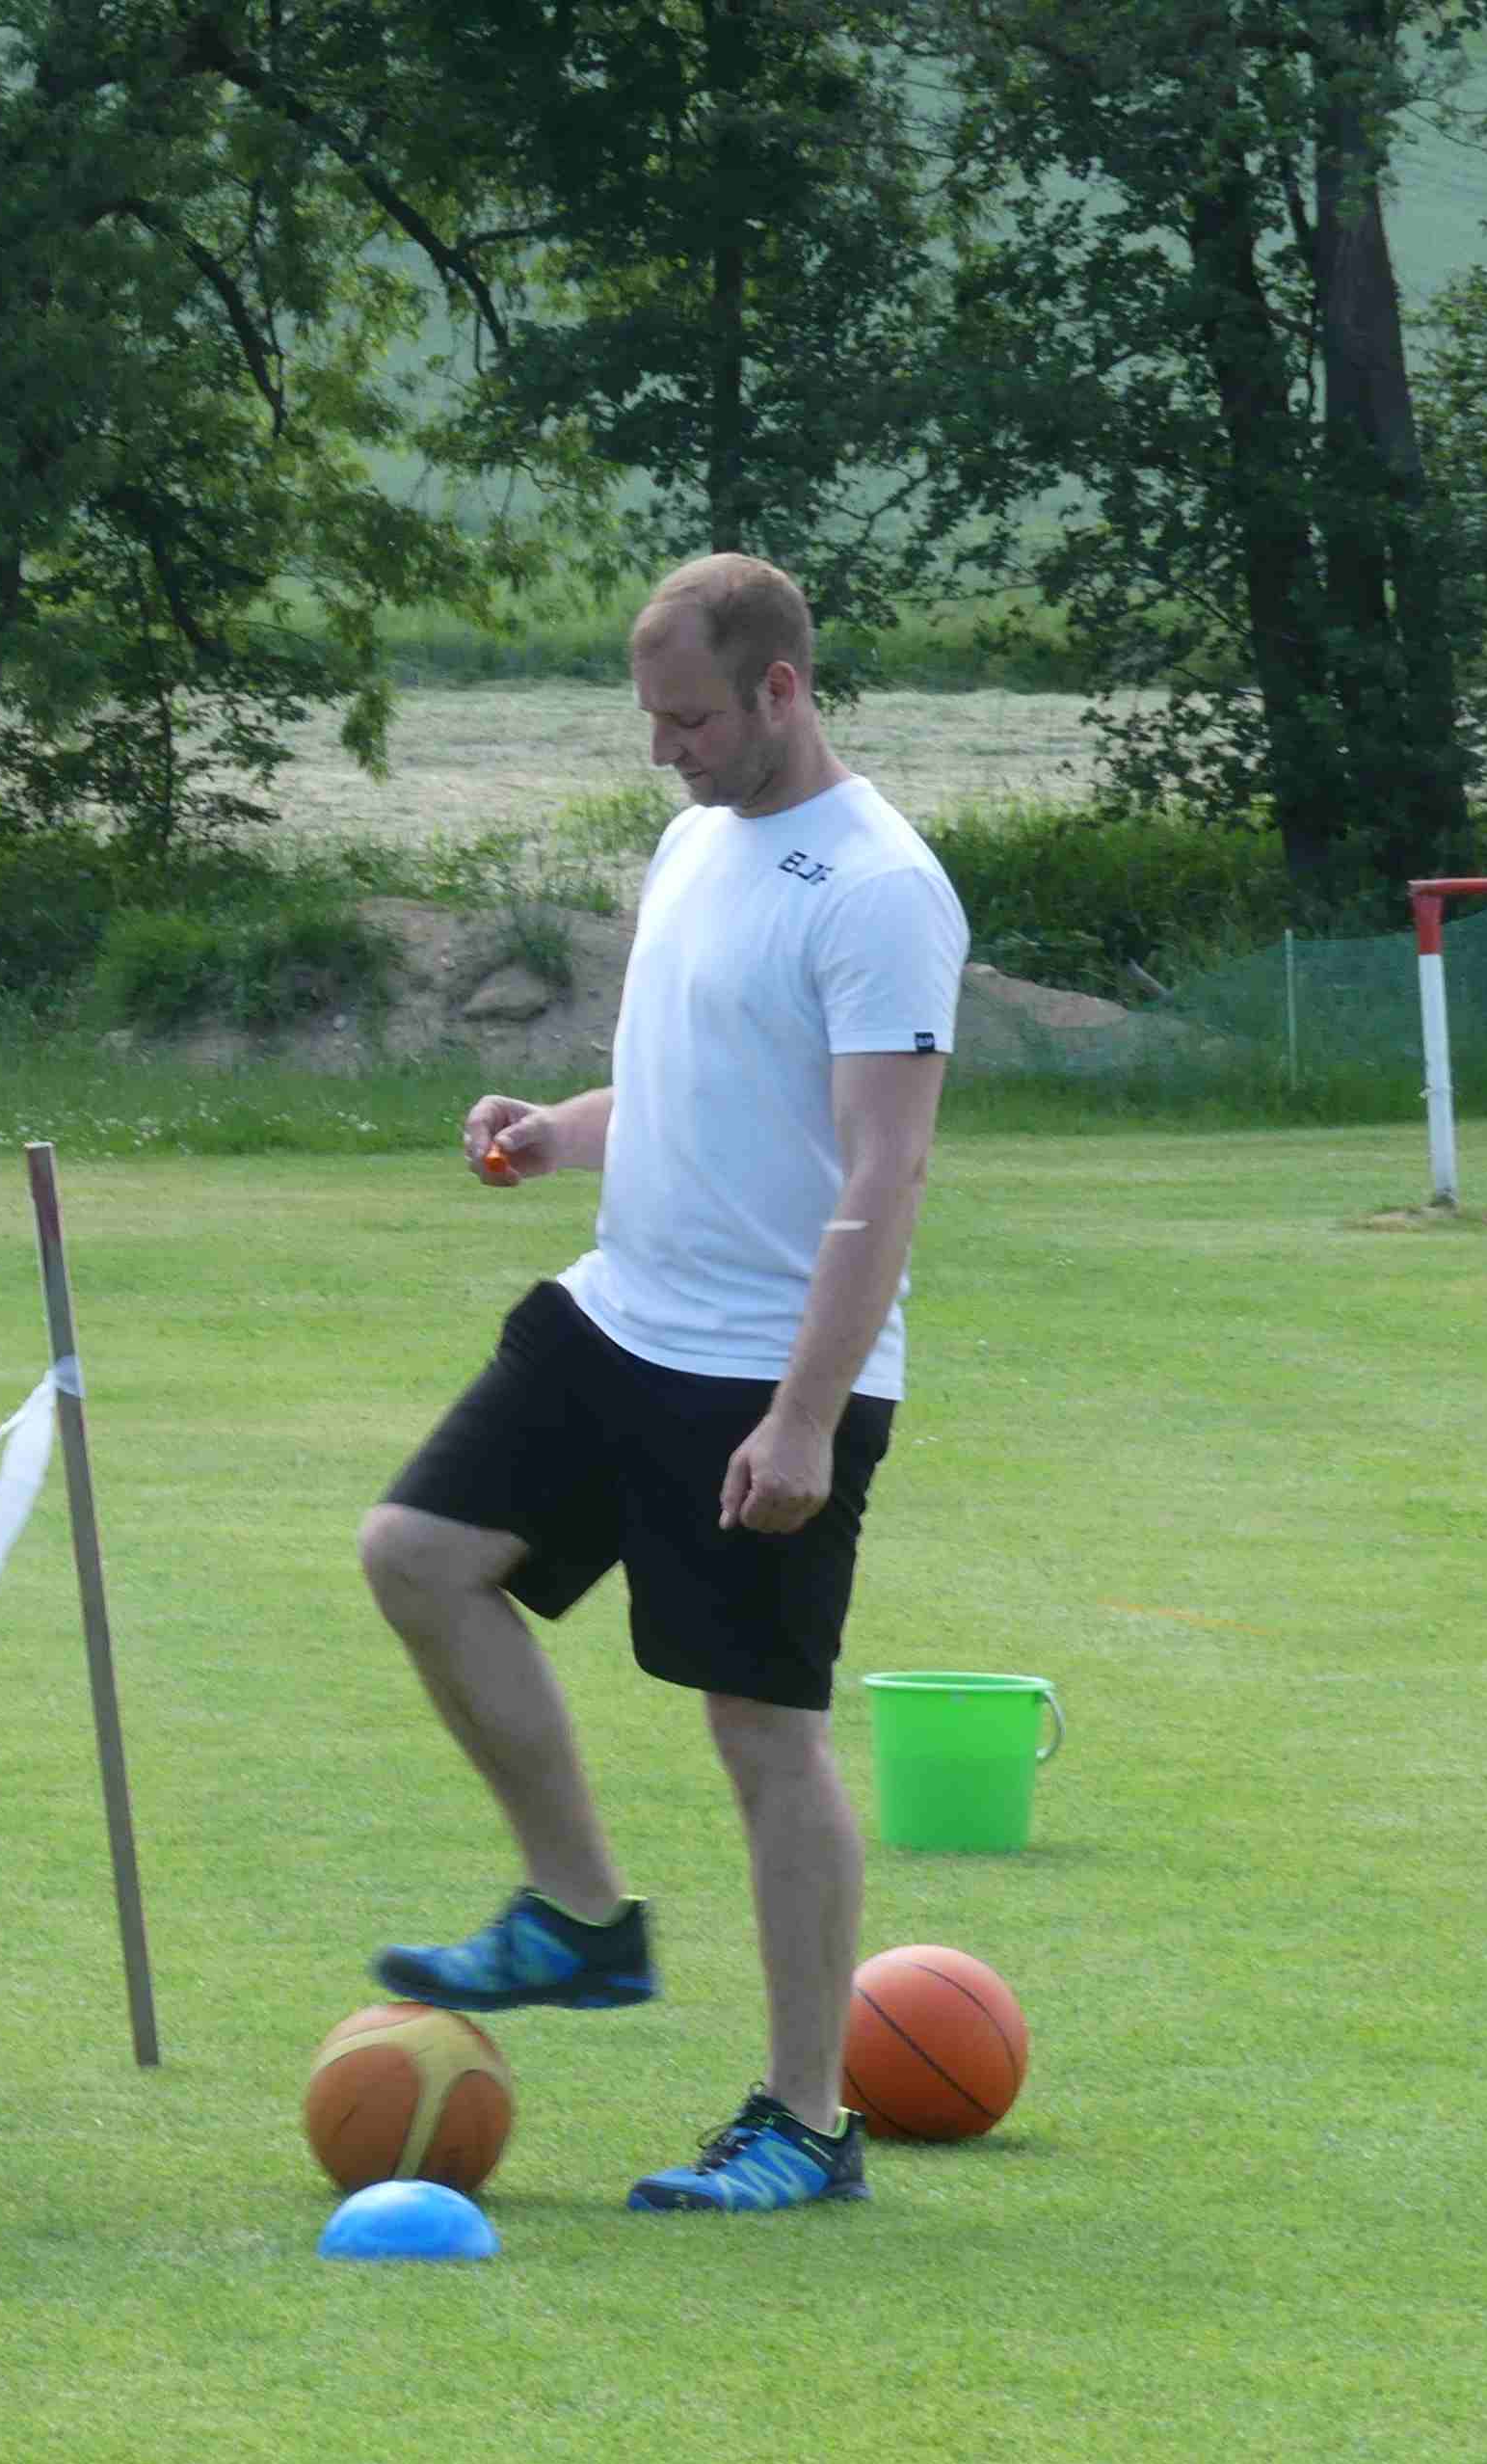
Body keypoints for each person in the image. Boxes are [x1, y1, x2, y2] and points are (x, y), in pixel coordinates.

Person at [357, 552, 966, 2212]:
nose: (662, 751)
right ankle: (579, 1915)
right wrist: (557, 1133)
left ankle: (806, 2124)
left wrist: (804, 1415)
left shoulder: (880, 889)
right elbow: (691, 1087)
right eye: (650, 718)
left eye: (688, 720)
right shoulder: (695, 843)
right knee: (417, 1554)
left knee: (762, 1734)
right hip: (616, 1315)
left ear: (781, 689)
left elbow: (885, 1168)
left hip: (764, 1367)